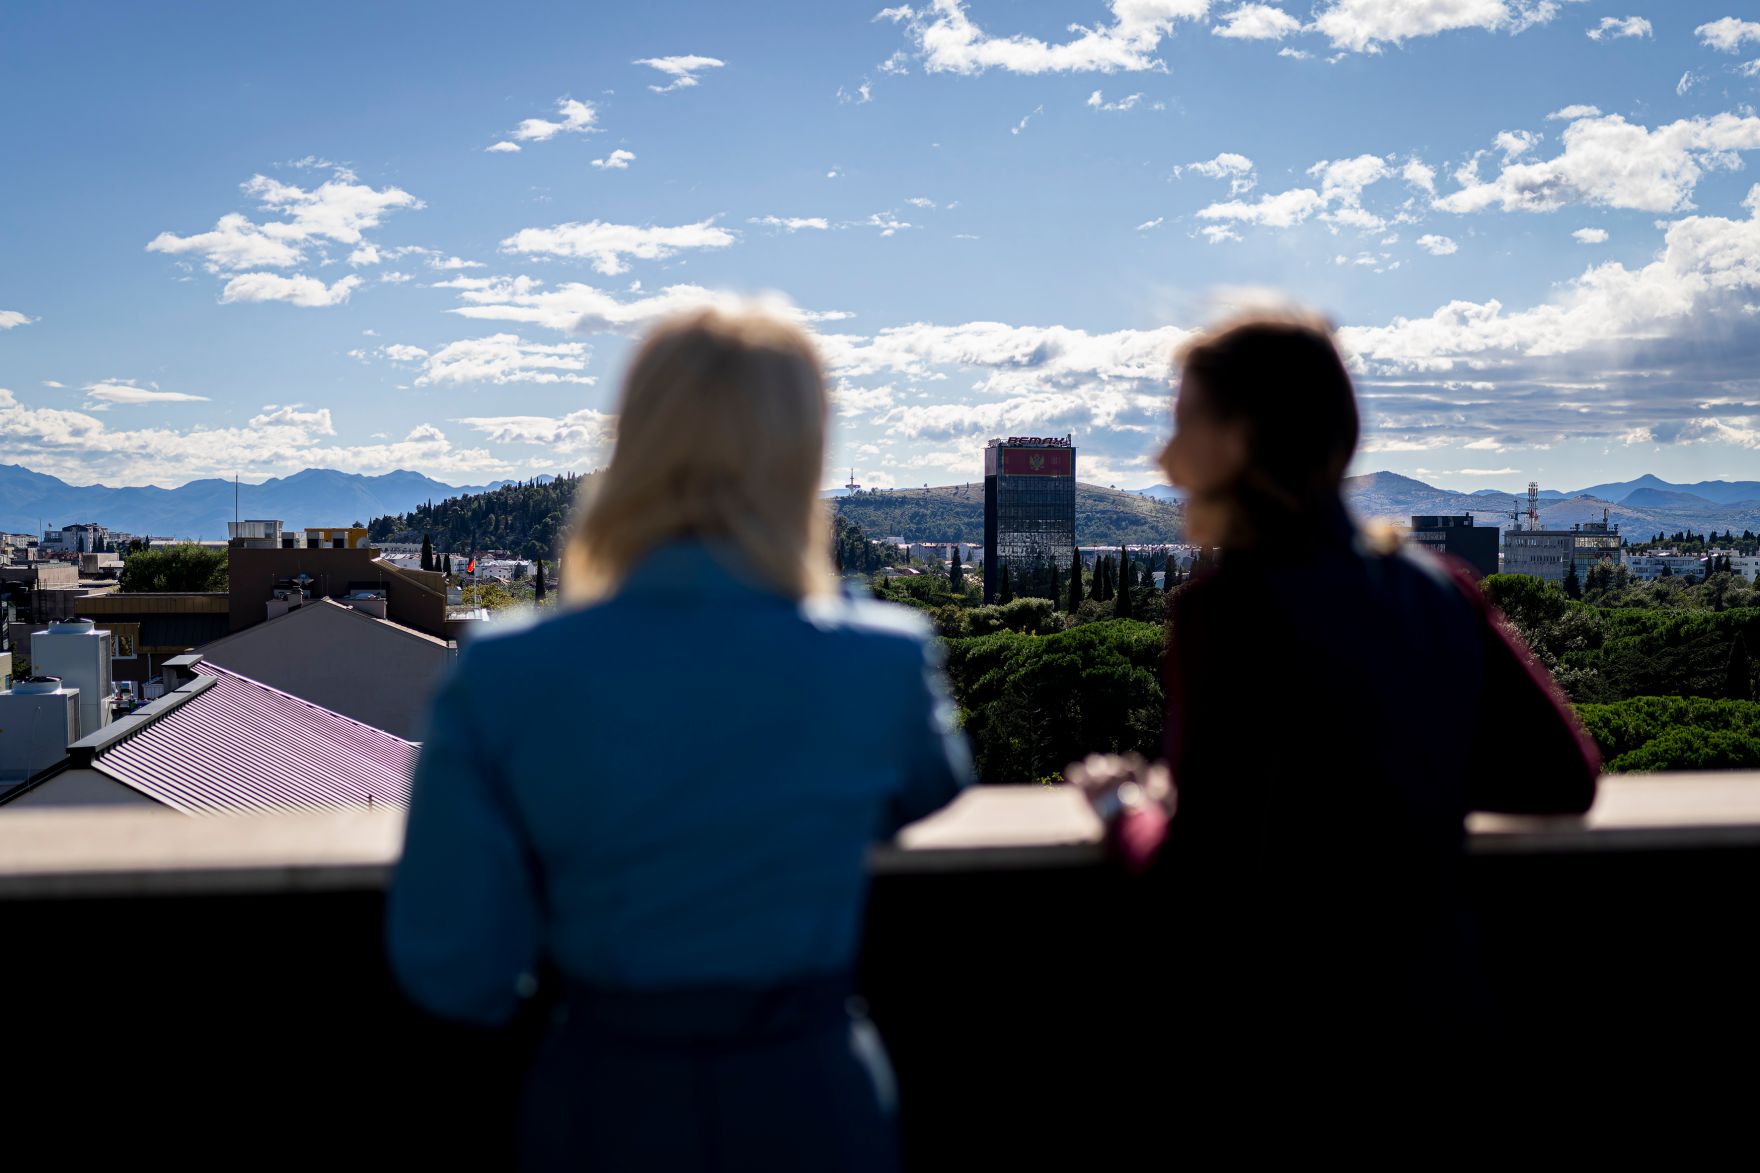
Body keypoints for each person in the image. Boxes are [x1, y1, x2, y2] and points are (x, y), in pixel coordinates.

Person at [387, 308, 972, 1171]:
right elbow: (933, 784)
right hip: (814, 1108)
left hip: (600, 1108)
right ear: (805, 453)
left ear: (633, 446)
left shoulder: (506, 671)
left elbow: (455, 966)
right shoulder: (882, 657)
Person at [1067, 310, 1600, 1127]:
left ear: (1239, 440)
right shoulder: (1437, 586)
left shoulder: (1229, 611)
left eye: (1183, 424)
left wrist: (1123, 811)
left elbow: (1196, 880)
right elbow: (1563, 779)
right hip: (1452, 1042)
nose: (1161, 458)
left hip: (1292, 1058)